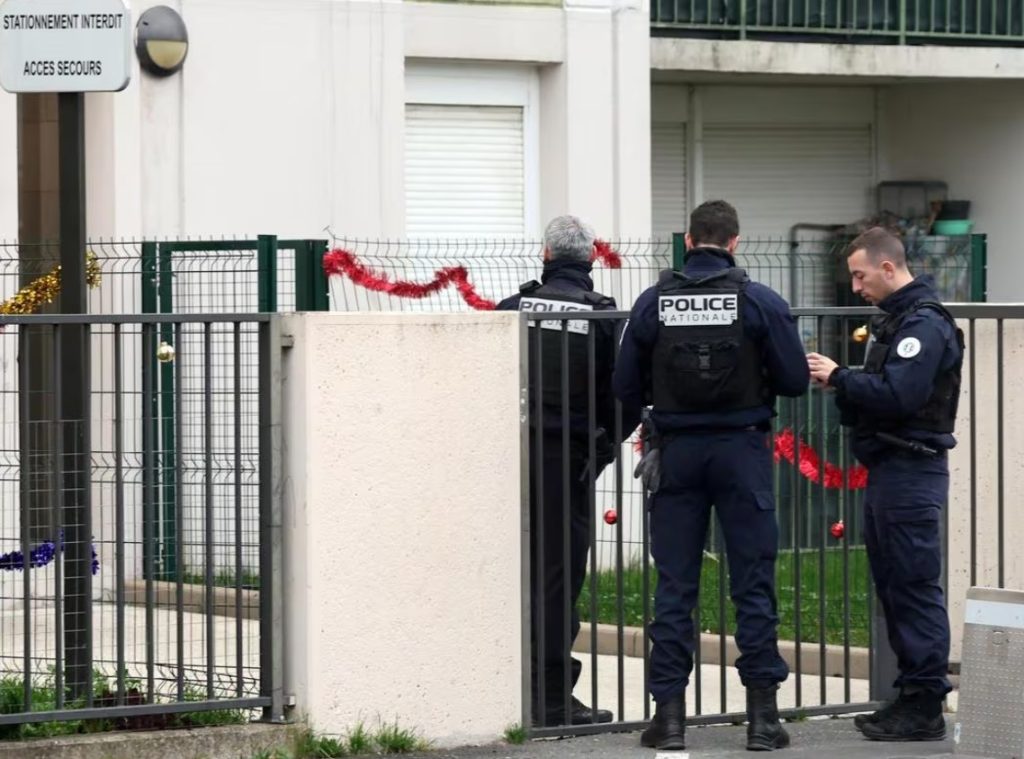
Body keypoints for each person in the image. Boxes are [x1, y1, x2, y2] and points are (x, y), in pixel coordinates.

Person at [613, 199, 808, 752]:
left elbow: (625, 385)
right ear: (736, 242)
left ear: (689, 240)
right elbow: (794, 380)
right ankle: (763, 722)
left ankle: (669, 720)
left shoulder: (654, 303)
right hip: (742, 453)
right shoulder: (760, 302)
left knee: (675, 586)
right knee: (753, 582)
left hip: (676, 455)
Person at [807, 226, 962, 742]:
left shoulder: (924, 325)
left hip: (911, 470)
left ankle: (925, 705)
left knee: (914, 587)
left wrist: (840, 378)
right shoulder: (896, 323)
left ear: (889, 269)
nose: (856, 287)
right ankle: (911, 695)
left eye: (860, 275)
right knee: (895, 586)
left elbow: (900, 394)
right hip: (890, 470)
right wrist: (850, 385)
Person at [497, 215, 636, 727]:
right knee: (557, 580)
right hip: (569, 462)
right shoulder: (602, 317)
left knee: (511, 573)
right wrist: (597, 456)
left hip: (511, 460)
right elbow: (620, 398)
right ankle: (551, 700)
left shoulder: (513, 310)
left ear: (545, 255)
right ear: (591, 259)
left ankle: (507, 687)